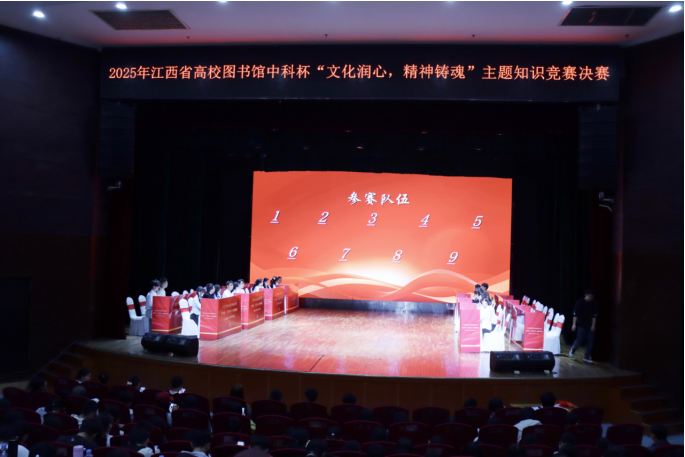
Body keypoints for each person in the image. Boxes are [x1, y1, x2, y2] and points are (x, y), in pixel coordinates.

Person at [568, 289, 598, 363]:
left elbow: (594, 316)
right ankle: (573, 349)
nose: (591, 298)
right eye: (590, 297)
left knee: (590, 341)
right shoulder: (579, 303)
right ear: (586, 295)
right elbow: (575, 314)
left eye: (592, 297)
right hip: (581, 325)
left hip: (590, 325)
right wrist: (574, 324)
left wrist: (593, 325)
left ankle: (586, 357)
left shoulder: (594, 303)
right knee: (580, 340)